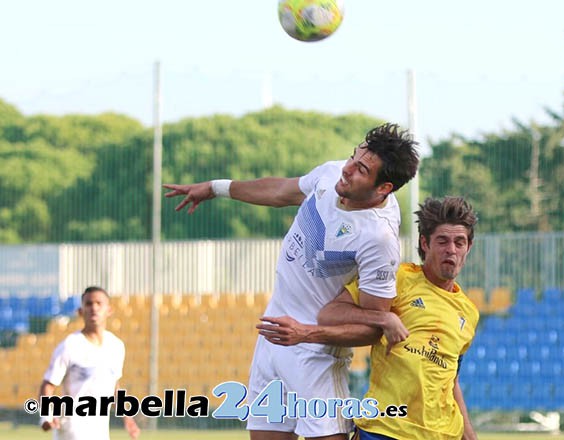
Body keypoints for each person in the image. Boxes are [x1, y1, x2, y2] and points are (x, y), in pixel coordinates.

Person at [163, 123, 419, 440]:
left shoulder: (379, 239)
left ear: (383, 188)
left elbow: (372, 326)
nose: (348, 169)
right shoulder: (331, 173)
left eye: (361, 169)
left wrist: (305, 334)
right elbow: (281, 191)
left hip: (315, 354)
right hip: (274, 336)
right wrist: (217, 188)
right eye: (354, 157)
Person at [258, 196, 480, 440]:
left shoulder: (468, 312)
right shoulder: (398, 278)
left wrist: (468, 434)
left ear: (468, 247)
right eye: (442, 241)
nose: (451, 250)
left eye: (459, 243)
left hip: (443, 433)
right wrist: (382, 319)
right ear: (425, 243)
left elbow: (451, 377)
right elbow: (331, 313)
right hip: (385, 429)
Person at [39, 286, 140, 440]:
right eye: (88, 304)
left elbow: (114, 385)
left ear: (109, 310)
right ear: (80, 311)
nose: (94, 308)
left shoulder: (116, 346)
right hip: (72, 431)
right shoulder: (70, 346)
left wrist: (127, 417)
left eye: (99, 303)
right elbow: (48, 384)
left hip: (100, 432)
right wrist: (46, 416)